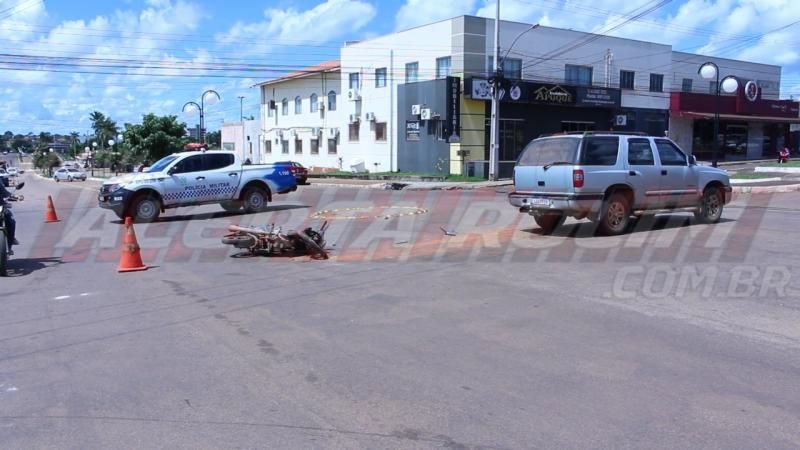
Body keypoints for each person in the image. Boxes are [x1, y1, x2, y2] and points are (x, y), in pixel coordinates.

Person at [0, 181, 18, 255]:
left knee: (11, 221)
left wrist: (12, 196)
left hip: (0, 206)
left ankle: (9, 244)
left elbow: (4, 192)